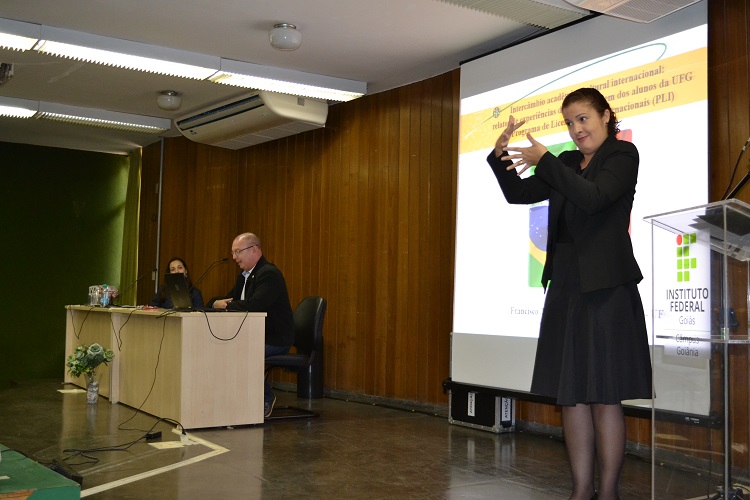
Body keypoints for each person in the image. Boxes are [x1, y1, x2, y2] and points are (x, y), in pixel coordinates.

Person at [486, 88, 651, 500]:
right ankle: (581, 491)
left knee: (604, 396)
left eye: (583, 119)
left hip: (606, 290)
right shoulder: (563, 162)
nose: (576, 130)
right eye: (570, 123)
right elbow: (518, 193)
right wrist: (500, 157)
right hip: (566, 289)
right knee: (572, 397)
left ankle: (608, 492)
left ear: (606, 116)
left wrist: (546, 163)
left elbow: (594, 199)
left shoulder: (621, 156)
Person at [207, 232, 294, 419]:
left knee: (241, 352)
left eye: (237, 252)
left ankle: (265, 398)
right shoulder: (244, 277)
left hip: (275, 338)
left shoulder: (269, 274)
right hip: (253, 337)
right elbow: (227, 299)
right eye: (232, 252)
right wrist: (215, 303)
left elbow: (255, 305)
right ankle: (235, 400)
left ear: (254, 250)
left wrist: (227, 305)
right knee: (227, 347)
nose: (234, 258)